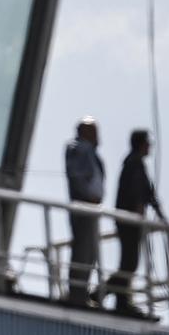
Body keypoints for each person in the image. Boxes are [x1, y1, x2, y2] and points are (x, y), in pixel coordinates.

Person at [103, 129, 163, 318]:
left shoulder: (135, 163)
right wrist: (141, 215)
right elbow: (138, 193)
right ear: (141, 144)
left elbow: (148, 194)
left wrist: (160, 214)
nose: (150, 147)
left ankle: (120, 299)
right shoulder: (134, 163)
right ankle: (104, 294)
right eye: (148, 143)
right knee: (129, 263)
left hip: (128, 220)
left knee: (129, 263)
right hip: (129, 221)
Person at [64, 116, 105, 307]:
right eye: (94, 131)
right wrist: (87, 196)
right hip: (84, 207)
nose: (98, 136)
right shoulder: (79, 148)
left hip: (91, 207)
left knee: (90, 252)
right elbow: (77, 176)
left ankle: (81, 291)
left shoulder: (88, 151)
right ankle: (77, 293)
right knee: (83, 250)